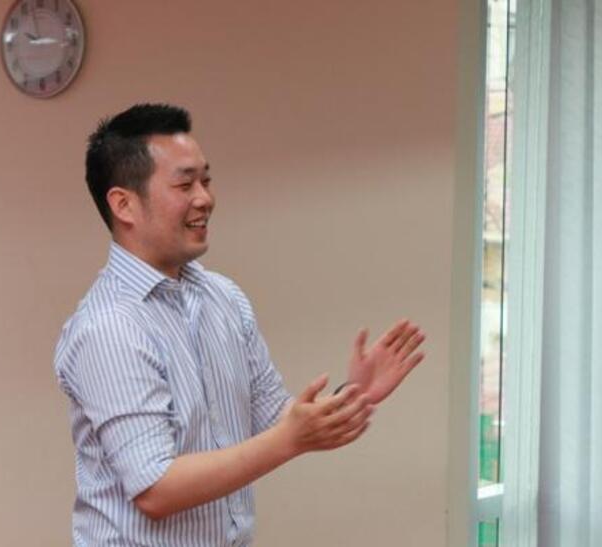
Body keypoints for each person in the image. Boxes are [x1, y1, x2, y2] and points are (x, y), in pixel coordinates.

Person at [53, 103, 425, 546]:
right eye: (185, 184)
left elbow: (273, 416)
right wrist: (290, 440)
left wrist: (350, 396)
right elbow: (156, 488)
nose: (204, 199)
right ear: (124, 205)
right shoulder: (109, 326)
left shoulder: (223, 297)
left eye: (206, 181)